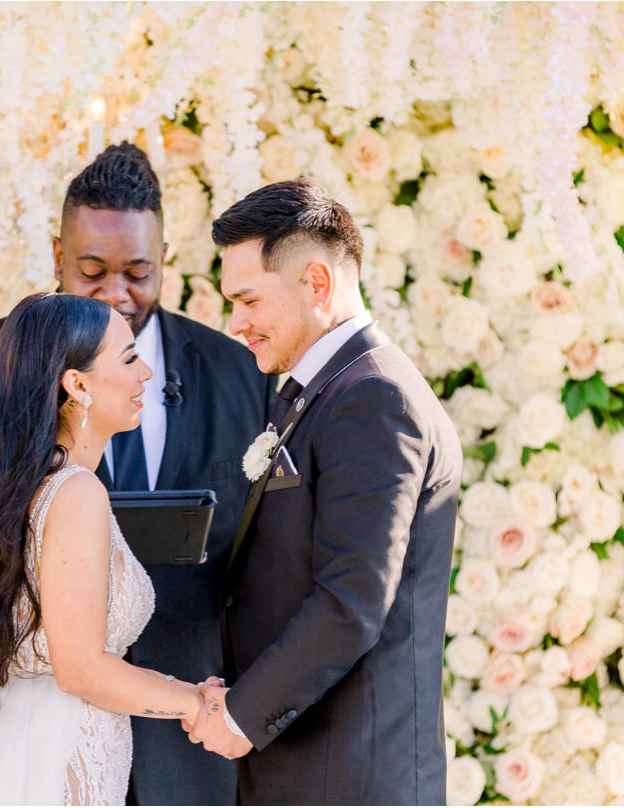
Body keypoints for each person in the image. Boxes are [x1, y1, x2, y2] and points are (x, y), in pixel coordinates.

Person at [0, 143, 270, 805]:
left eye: (138, 272)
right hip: (34, 728)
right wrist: (30, 576)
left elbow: (267, 542)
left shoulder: (238, 370)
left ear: (165, 259)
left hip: (187, 749)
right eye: (92, 270)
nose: (117, 294)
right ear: (57, 255)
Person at [186, 180, 463, 805]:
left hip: (350, 775)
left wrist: (240, 715)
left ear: (316, 281)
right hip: (310, 765)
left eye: (249, 300)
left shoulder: (373, 399)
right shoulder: (326, 391)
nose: (237, 323)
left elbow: (351, 599)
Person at [0, 292, 204, 805]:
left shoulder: (25, 485)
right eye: (127, 358)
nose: (146, 371)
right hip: (54, 756)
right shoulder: (75, 492)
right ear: (76, 384)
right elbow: (81, 668)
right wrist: (196, 703)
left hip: (21, 739)